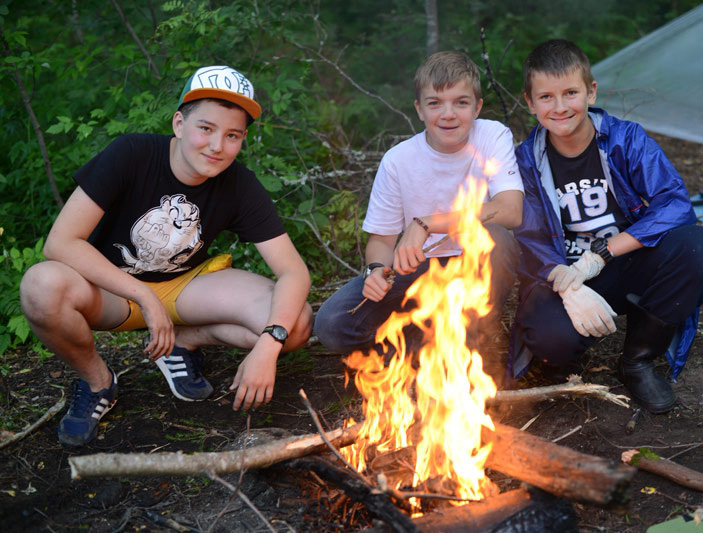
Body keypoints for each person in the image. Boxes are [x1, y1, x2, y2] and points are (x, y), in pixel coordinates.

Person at [19, 66, 312, 446]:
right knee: (40, 286)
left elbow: (293, 272)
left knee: (295, 324)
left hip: (183, 287)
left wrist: (269, 345)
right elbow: (60, 243)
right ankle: (98, 383)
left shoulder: (239, 184)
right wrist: (143, 296)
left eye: (232, 135)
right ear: (179, 123)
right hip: (111, 291)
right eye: (205, 128)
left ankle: (183, 341)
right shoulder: (131, 154)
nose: (217, 146)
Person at [509, 40, 703, 413]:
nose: (560, 107)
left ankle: (638, 359)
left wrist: (600, 254)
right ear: (530, 102)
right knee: (549, 338)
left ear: (591, 92)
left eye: (570, 93)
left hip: (625, 261)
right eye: (546, 97)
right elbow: (529, 239)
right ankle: (565, 354)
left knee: (698, 249)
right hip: (568, 275)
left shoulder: (626, 140)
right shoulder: (526, 161)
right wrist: (566, 284)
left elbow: (675, 204)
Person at [313, 51, 523, 381]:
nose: (448, 114)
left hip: (475, 265)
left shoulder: (492, 136)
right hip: (419, 272)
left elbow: (510, 210)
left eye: (461, 103)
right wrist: (376, 270)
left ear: (477, 107)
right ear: (419, 109)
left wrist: (426, 224)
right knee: (332, 323)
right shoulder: (398, 160)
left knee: (496, 239)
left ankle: (467, 345)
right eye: (435, 103)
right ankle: (421, 344)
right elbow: (381, 241)